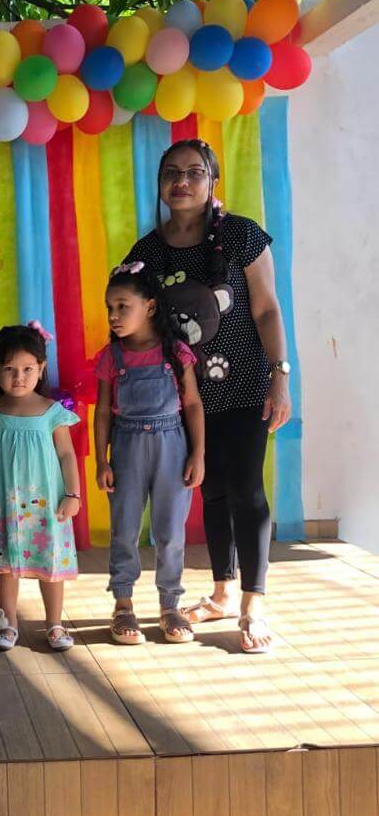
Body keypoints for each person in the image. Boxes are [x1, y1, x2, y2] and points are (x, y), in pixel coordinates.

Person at [131, 139, 291, 654]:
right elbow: (135, 324)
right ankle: (221, 591)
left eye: (194, 172)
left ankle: (252, 604)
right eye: (172, 173)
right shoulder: (146, 254)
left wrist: (280, 375)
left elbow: (267, 310)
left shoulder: (243, 236)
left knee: (245, 490)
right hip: (182, 394)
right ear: (160, 184)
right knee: (211, 490)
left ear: (212, 181)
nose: (182, 181)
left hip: (244, 384)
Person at [93, 264, 205, 645]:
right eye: (110, 307)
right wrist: (102, 460)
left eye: (123, 306)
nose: (113, 316)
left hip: (172, 445)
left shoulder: (176, 353)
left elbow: (192, 405)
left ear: (150, 306)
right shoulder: (111, 357)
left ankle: (170, 606)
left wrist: (198, 455)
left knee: (170, 531)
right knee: (124, 529)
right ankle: (123, 604)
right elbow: (103, 410)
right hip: (126, 447)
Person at [0, 322, 81, 652]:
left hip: (48, 506)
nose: (18, 377)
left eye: (27, 369)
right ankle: (8, 624)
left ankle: (55, 624)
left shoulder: (52, 413)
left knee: (51, 566)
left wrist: (73, 494)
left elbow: (66, 455)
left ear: (41, 368)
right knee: (6, 568)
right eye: (9, 369)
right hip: (5, 506)